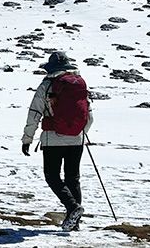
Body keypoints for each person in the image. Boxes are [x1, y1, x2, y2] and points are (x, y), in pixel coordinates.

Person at [22, 50, 93, 231]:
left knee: (52, 176)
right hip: (77, 140)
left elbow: (34, 113)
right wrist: (79, 132)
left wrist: (27, 139)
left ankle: (73, 208)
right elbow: (89, 116)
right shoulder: (79, 84)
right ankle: (74, 223)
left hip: (53, 139)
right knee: (73, 178)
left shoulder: (47, 85)